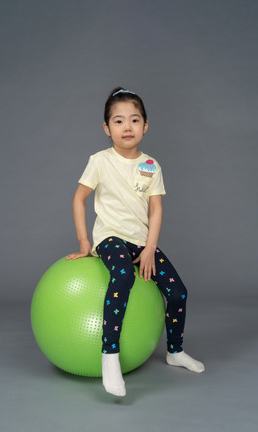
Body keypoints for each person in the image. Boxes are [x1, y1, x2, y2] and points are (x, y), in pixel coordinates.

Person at [66, 87, 205, 397]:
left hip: (141, 242)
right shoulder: (100, 161)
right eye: (118, 121)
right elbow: (79, 198)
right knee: (124, 276)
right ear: (107, 128)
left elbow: (155, 210)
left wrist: (150, 249)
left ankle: (175, 351)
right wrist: (84, 242)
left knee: (179, 292)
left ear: (145, 125)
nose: (126, 127)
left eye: (134, 120)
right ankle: (110, 356)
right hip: (110, 238)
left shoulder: (152, 166)